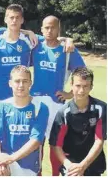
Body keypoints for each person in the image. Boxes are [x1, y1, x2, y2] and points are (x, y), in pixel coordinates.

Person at [30, 15, 86, 175]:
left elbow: (83, 73)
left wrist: (70, 93)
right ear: (41, 29)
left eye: (53, 27)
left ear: (58, 29)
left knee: (56, 144)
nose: (49, 30)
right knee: (35, 143)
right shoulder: (35, 46)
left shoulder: (67, 50)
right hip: (37, 103)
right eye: (46, 27)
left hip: (57, 104)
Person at [0, 65, 49, 176]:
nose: (21, 85)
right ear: (10, 83)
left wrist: (11, 158)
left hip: (29, 166)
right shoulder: (2, 106)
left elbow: (36, 141)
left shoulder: (40, 107)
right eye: (17, 81)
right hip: (6, 165)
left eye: (25, 81)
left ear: (30, 83)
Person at [49, 67, 106, 176]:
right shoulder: (63, 112)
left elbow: (99, 140)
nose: (81, 90)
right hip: (70, 166)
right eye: (78, 85)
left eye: (85, 86)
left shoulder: (101, 108)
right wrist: (69, 165)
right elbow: (56, 144)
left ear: (91, 87)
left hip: (93, 164)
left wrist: (83, 166)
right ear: (71, 85)